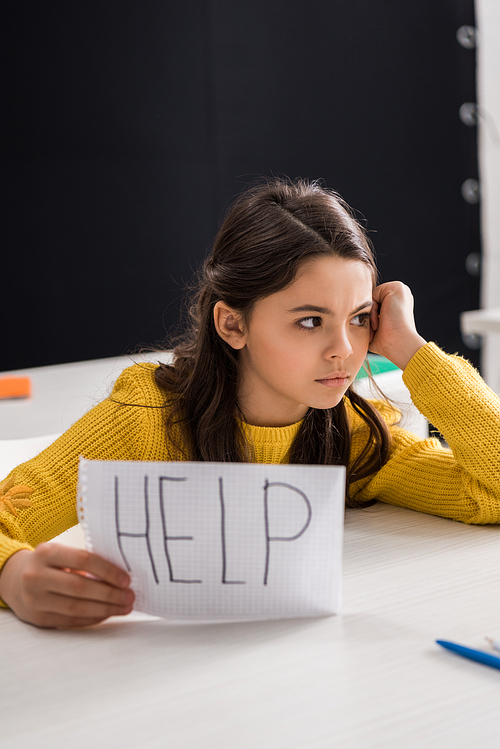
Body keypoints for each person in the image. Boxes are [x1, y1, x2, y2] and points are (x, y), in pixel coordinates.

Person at [1, 177, 499, 629]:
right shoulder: (146, 422)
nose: (344, 350)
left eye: (359, 317)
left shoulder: (350, 430)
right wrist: (12, 574)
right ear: (232, 325)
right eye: (310, 321)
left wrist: (412, 350)